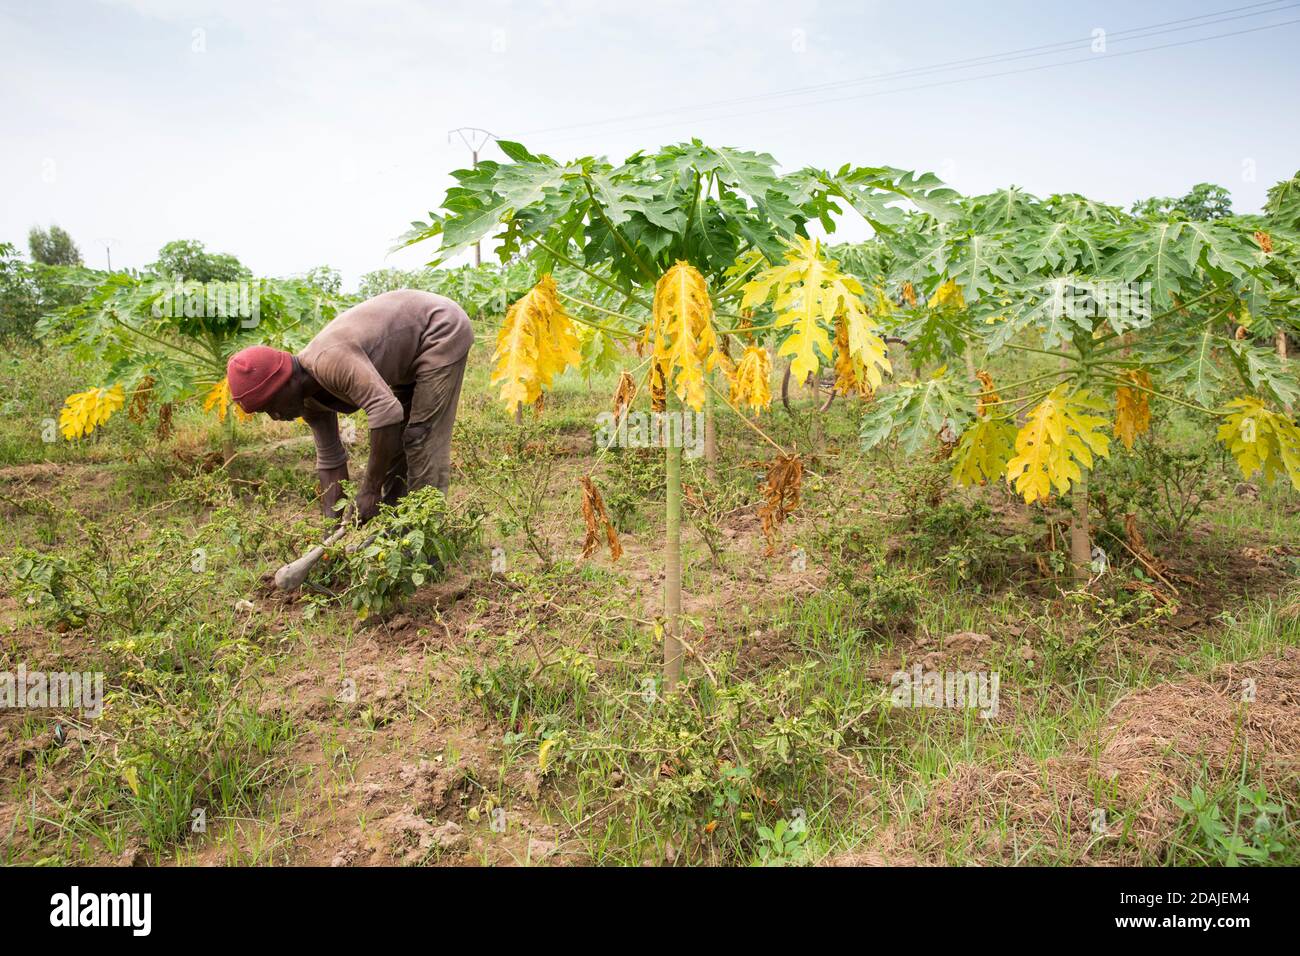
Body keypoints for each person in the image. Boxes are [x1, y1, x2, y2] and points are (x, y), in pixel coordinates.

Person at [226, 289, 472, 523]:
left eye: (270, 405)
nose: (275, 415)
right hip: (405, 356)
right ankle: (399, 531)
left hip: (439, 328)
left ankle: (426, 542)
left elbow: (386, 412)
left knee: (420, 437)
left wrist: (370, 490)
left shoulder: (328, 360)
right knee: (396, 447)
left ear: (287, 381)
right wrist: (330, 531)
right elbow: (331, 460)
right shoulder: (309, 402)